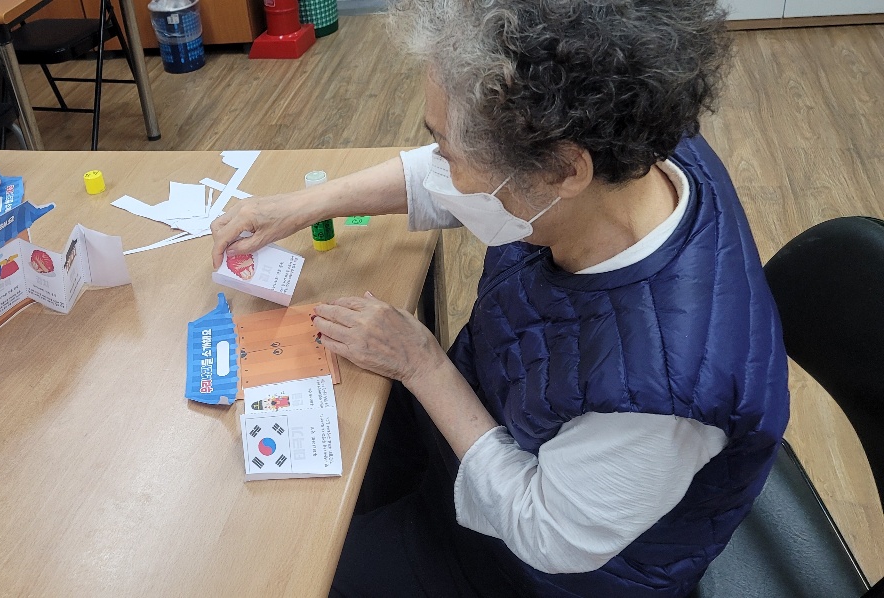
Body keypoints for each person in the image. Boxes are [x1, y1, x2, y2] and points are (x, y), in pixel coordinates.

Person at [210, 0, 789, 595]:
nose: (442, 168)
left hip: (534, 565)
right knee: (318, 478)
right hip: (496, 414)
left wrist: (423, 364)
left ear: (563, 170)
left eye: (450, 152)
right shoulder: (624, 139)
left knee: (290, 570)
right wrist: (304, 205)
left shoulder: (663, 397)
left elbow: (545, 534)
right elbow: (470, 172)